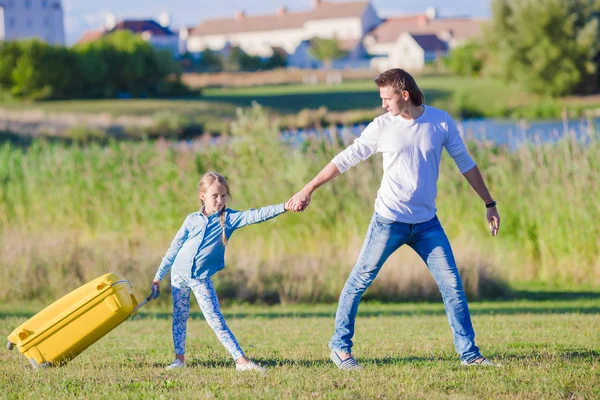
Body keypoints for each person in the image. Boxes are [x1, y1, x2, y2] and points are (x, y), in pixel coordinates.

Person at [288, 68, 501, 370]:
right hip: (388, 221)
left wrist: (489, 203)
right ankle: (339, 348)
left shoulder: (440, 121)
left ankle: (469, 355)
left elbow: (465, 163)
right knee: (358, 282)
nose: (383, 105)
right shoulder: (382, 126)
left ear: (404, 95)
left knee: (452, 285)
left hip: (427, 224)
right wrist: (309, 188)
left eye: (386, 98)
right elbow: (345, 158)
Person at [152, 171, 290, 371]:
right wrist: (158, 277)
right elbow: (174, 248)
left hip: (200, 278)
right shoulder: (192, 219)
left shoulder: (230, 218)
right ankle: (179, 360)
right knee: (179, 317)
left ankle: (241, 362)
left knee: (215, 319)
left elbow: (257, 215)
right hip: (178, 275)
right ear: (203, 196)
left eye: (223, 195)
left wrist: (284, 206)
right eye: (214, 196)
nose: (219, 200)